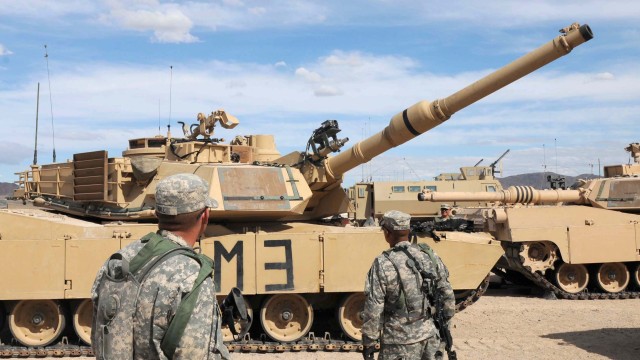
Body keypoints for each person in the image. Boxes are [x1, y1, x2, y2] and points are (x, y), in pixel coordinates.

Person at [91, 173, 230, 359]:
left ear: (157, 213)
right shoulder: (191, 277)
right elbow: (193, 354)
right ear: (205, 215)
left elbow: (98, 334)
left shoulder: (118, 260)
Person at [362, 210, 455, 360]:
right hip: (430, 337)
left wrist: (369, 342)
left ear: (387, 233)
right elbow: (447, 294)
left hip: (398, 343)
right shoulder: (429, 255)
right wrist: (446, 331)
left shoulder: (383, 263)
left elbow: (374, 307)